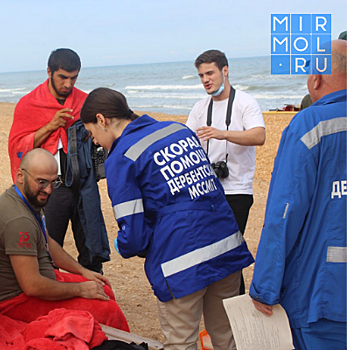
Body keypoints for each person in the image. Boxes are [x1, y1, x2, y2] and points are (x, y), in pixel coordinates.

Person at [80, 87, 254, 350]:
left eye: (92, 132)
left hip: (180, 262)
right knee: (226, 337)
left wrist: (122, 245)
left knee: (181, 342)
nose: (94, 141)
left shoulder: (121, 158)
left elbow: (134, 235)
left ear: (102, 120)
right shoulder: (178, 130)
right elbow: (212, 189)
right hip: (225, 246)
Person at [250, 40, 347, 350]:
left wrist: (265, 286)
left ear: (316, 79)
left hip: (323, 293)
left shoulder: (310, 125)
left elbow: (284, 212)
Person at [0, 148, 129, 331]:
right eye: (42, 182)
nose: (48, 190)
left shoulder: (26, 197)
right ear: (20, 175)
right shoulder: (19, 221)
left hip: (38, 282)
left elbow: (47, 241)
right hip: (16, 302)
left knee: (103, 290)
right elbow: (32, 286)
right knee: (109, 310)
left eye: (53, 182)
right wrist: (81, 289)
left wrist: (83, 272)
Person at [8, 48, 108, 273]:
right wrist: (52, 126)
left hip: (84, 184)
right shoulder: (29, 104)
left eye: (74, 78)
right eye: (63, 77)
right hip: (51, 187)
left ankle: (95, 301)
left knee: (91, 249)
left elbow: (101, 135)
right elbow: (17, 146)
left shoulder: (85, 102)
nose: (68, 84)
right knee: (48, 250)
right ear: (49, 71)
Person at [186, 49, 265, 294]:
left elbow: (259, 136)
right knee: (211, 253)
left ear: (225, 70)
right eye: (201, 75)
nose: (205, 79)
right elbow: (185, 141)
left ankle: (235, 312)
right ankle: (224, 314)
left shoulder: (245, 102)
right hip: (207, 191)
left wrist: (222, 133)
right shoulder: (200, 107)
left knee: (229, 255)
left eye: (210, 73)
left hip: (237, 191)